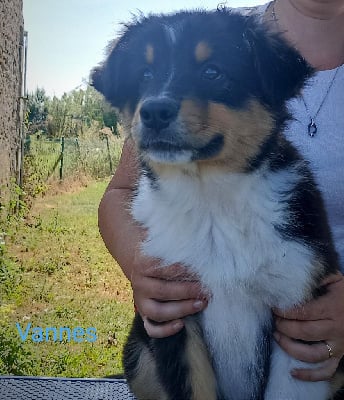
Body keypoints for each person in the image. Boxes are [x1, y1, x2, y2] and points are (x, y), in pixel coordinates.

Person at [98, 0, 344, 385]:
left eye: (211, 72)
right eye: (148, 76)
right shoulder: (229, 33)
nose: (159, 101)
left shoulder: (254, 50)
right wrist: (147, 269)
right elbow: (121, 191)